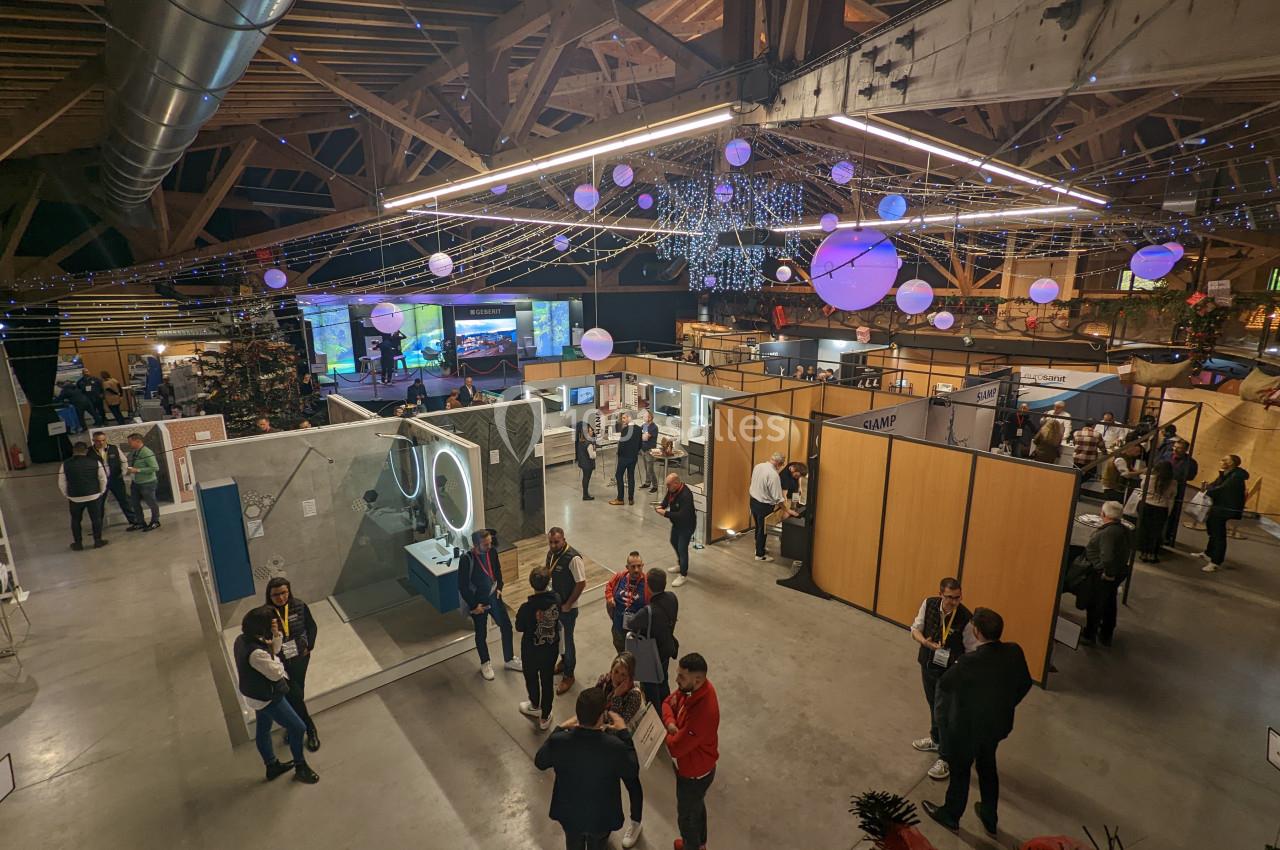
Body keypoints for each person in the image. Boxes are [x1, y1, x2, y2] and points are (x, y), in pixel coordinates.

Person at [921, 608, 1031, 837]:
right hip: (996, 727)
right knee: (988, 767)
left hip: (967, 730)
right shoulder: (1014, 651)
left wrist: (944, 727)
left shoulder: (969, 663)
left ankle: (951, 815)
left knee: (960, 772)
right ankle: (990, 817)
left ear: (977, 633)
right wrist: (1006, 704)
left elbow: (945, 687)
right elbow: (1025, 684)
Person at [534, 687, 639, 850]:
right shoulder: (615, 747)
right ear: (602, 715)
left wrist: (559, 728)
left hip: (570, 814)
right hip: (601, 816)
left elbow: (540, 761)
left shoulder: (560, 741)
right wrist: (624, 732)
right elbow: (632, 770)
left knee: (573, 844)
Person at [233, 605, 320, 784]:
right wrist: (277, 660)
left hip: (255, 695)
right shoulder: (257, 653)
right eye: (272, 624)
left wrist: (276, 636)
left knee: (263, 729)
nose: (277, 625)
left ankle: (272, 766)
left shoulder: (242, 639)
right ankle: (300, 765)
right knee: (298, 728)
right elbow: (277, 672)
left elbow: (275, 650)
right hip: (268, 697)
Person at [910, 577, 973, 782]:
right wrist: (925, 644)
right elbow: (915, 629)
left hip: (949, 674)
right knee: (933, 706)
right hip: (927, 664)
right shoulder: (928, 604)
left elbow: (971, 651)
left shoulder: (965, 618)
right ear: (940, 594)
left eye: (957, 597)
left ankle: (945, 758)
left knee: (943, 712)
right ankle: (936, 740)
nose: (954, 602)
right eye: (949, 598)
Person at [663, 652, 720, 850]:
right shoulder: (692, 689)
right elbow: (667, 702)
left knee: (687, 818)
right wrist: (671, 723)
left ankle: (692, 845)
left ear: (697, 679)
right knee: (697, 809)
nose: (676, 680)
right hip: (694, 768)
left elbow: (675, 748)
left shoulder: (703, 712)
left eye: (681, 677)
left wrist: (665, 734)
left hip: (694, 774)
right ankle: (699, 845)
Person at [594, 653, 646, 848]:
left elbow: (620, 723)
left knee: (632, 783)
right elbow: (594, 703)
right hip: (603, 742)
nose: (618, 677)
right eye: (616, 671)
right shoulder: (604, 680)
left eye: (624, 675)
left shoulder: (634, 694)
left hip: (624, 745)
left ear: (630, 676)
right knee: (606, 785)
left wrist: (616, 696)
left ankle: (636, 822)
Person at [265, 577, 321, 752]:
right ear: (269, 595)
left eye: (284, 593)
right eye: (276, 595)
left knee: (297, 692)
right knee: (294, 694)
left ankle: (296, 726)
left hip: (299, 657)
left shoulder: (299, 605)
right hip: (279, 661)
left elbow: (312, 627)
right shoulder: (266, 614)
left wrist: (309, 645)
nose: (281, 598)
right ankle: (310, 728)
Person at [458, 529, 521, 681]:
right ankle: (485, 663)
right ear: (475, 545)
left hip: (494, 597)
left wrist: (500, 588)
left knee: (506, 626)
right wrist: (474, 606)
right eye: (485, 545)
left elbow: (497, 571)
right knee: (481, 634)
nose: (489, 547)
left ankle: (509, 659)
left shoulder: (492, 552)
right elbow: (463, 586)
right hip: (478, 603)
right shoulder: (466, 560)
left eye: (490, 543)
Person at [1080, 501, 1131, 646]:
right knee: (1109, 602)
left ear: (1104, 514)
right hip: (1117, 572)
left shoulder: (1108, 533)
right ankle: (1105, 633)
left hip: (1104, 574)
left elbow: (1107, 557)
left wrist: (1107, 572)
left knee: (1096, 603)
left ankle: (1090, 634)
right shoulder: (1121, 530)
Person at [516, 567, 562, 731]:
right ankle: (545, 715)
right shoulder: (557, 599)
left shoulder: (526, 608)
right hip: (550, 649)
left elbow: (519, 627)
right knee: (547, 680)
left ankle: (535, 704)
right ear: (549, 582)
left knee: (531, 677)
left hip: (530, 650)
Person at [627, 568, 679, 708]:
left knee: (650, 689)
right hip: (667, 649)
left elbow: (631, 623)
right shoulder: (672, 597)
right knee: (663, 680)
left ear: (647, 586)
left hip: (651, 656)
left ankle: (656, 715)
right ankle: (667, 708)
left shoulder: (647, 612)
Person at [546, 527, 586, 695]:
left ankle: (569, 675)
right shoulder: (551, 554)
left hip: (567, 609)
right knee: (558, 639)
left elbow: (581, 583)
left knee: (567, 642)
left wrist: (569, 603)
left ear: (564, 540)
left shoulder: (573, 558)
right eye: (551, 542)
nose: (553, 545)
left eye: (557, 542)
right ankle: (563, 663)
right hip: (555, 606)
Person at [1199, 454, 1249, 573]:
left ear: (1231, 463)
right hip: (1218, 506)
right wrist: (1209, 488)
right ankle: (1208, 553)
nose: (1221, 461)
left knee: (1218, 534)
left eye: (1225, 460)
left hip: (1225, 508)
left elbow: (1222, 489)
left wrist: (1207, 491)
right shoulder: (1226, 473)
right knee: (1212, 528)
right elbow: (1215, 484)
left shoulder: (1236, 476)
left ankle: (1216, 561)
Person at [748, 452, 796, 562]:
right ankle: (760, 554)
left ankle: (759, 548)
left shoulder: (758, 466)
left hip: (753, 501)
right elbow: (778, 498)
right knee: (763, 530)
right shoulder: (773, 475)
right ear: (779, 463)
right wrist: (788, 510)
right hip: (763, 506)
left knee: (758, 527)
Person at [60, 442, 108, 550]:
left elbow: (61, 482)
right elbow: (103, 478)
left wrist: (67, 494)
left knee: (76, 520)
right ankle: (98, 541)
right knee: (96, 519)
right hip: (93, 495)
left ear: (73, 451)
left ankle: (78, 543)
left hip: (75, 497)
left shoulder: (65, 464)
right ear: (86, 451)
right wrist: (101, 491)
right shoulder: (95, 462)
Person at [605, 552, 651, 653]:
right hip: (618, 628)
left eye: (639, 566)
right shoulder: (619, 577)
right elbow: (609, 587)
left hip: (637, 633)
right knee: (622, 654)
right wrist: (609, 598)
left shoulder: (648, 583)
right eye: (633, 566)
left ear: (643, 566)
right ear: (627, 567)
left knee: (636, 658)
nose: (636, 570)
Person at [92, 431, 139, 528]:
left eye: (103, 440)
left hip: (115, 479)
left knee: (124, 500)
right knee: (98, 504)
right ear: (93, 441)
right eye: (98, 441)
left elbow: (124, 461)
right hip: (99, 482)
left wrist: (122, 473)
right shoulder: (89, 452)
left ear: (106, 440)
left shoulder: (113, 448)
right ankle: (98, 527)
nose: (101, 443)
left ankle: (134, 521)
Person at [656, 473, 697, 586]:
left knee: (682, 549)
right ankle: (680, 565)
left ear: (676, 483)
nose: (667, 488)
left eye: (668, 485)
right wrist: (662, 506)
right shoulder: (672, 489)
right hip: (677, 525)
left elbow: (682, 515)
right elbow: (667, 499)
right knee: (673, 541)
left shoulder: (686, 495)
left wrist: (665, 513)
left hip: (687, 525)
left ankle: (683, 575)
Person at [1135, 462, 1177, 563]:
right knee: (1156, 532)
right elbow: (1172, 497)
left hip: (1146, 505)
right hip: (1161, 508)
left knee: (1144, 529)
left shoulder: (1148, 478)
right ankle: (1152, 554)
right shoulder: (1173, 483)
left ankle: (1143, 553)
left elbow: (1142, 490)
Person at [1162, 439, 1198, 546]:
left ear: (1185, 450)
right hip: (1162, 487)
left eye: (1179, 448)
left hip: (1178, 489)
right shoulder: (1166, 455)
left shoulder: (1191, 463)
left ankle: (1168, 536)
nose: (1175, 449)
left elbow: (1191, 476)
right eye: (1175, 446)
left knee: (1173, 513)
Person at [125, 433, 161, 531]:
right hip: (136, 482)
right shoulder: (135, 452)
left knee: (151, 503)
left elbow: (155, 467)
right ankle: (140, 522)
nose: (129, 444)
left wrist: (138, 470)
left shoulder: (147, 452)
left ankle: (155, 521)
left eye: (130, 442)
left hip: (148, 483)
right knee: (135, 503)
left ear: (138, 441)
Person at [610, 413, 642, 506]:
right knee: (631, 476)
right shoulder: (639, 429)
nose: (622, 420)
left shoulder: (625, 430)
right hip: (633, 457)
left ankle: (620, 498)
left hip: (624, 458)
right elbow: (640, 444)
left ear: (629, 417)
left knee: (618, 476)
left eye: (624, 418)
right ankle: (631, 499)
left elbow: (622, 445)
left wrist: (619, 454)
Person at [575, 420, 597, 501]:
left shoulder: (581, 441)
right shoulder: (589, 444)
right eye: (590, 431)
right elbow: (592, 456)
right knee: (586, 478)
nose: (592, 432)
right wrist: (595, 449)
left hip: (583, 463)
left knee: (585, 478)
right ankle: (585, 495)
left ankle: (585, 493)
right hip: (588, 464)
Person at [638, 410, 659, 493]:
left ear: (649, 417)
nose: (643, 417)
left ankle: (655, 485)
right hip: (643, 450)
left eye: (645, 416)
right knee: (646, 468)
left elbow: (645, 438)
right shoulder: (644, 425)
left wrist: (642, 435)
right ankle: (647, 483)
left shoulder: (654, 427)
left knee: (650, 469)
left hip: (650, 451)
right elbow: (639, 434)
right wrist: (642, 435)